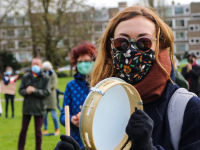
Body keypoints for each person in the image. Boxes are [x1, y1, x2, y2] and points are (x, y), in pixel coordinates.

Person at [54, 5, 200, 150]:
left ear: (159, 46)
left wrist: (146, 147)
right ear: (110, 49)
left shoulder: (188, 108)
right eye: (121, 42)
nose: (131, 50)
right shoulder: (102, 101)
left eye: (144, 42)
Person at [59, 41, 98, 147]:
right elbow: (63, 115)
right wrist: (71, 119)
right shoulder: (71, 86)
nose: (83, 64)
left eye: (87, 61)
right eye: (80, 62)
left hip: (98, 140)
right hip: (76, 141)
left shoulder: (101, 84)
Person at [18, 58, 51, 150]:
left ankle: (38, 148)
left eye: (37, 64)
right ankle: (20, 148)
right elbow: (20, 90)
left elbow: (47, 92)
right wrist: (26, 91)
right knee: (23, 130)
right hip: (27, 108)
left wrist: (35, 91)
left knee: (38, 131)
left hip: (39, 108)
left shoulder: (45, 78)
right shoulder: (26, 77)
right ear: (31, 65)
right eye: (33, 64)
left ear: (41, 66)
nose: (35, 66)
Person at [42, 61, 60, 136]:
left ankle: (57, 129)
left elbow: (53, 85)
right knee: (45, 116)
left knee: (53, 115)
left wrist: (46, 89)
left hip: (51, 98)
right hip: (45, 98)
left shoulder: (53, 74)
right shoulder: (43, 74)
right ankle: (45, 129)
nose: (45, 69)